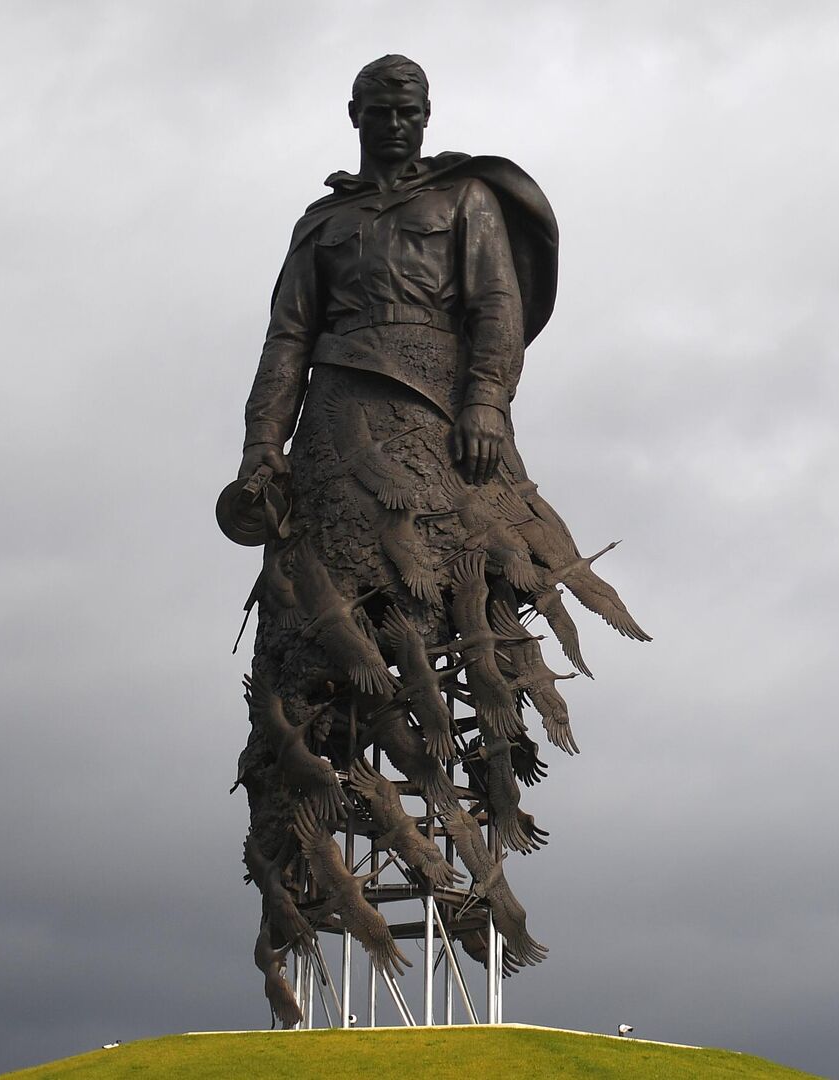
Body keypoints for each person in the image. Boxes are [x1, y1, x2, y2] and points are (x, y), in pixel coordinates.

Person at [226, 55, 645, 1028]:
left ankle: (458, 852)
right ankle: (326, 854)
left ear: (427, 114)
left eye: (409, 109)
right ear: (355, 114)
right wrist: (259, 450)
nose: (396, 122)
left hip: (440, 427)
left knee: (444, 619)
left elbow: (497, 308)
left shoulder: (465, 201)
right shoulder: (322, 225)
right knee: (318, 645)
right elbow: (287, 339)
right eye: (380, 109)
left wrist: (487, 401)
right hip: (336, 432)